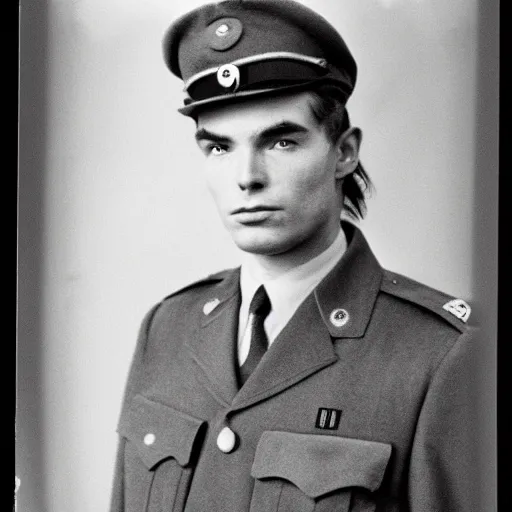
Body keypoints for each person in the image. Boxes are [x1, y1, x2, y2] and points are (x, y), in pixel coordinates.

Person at [110, 1, 478, 511]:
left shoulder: (440, 356)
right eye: (218, 148)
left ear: (344, 152)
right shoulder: (166, 328)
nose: (246, 176)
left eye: (280, 141)